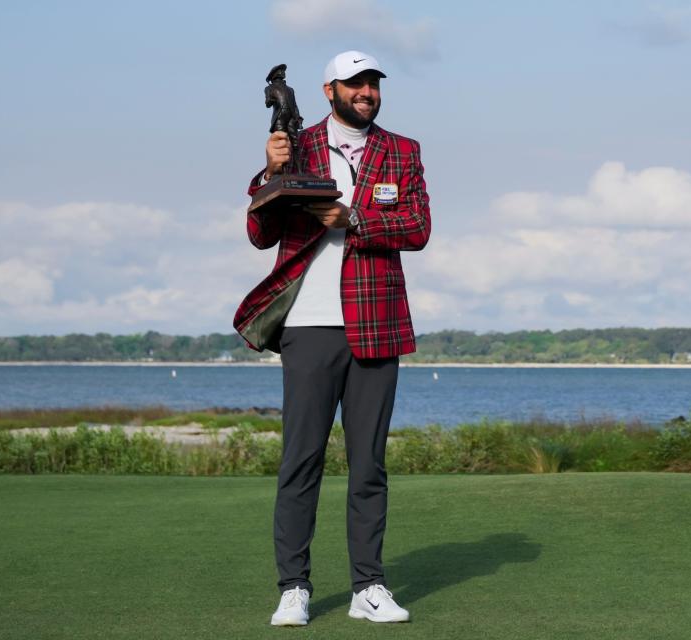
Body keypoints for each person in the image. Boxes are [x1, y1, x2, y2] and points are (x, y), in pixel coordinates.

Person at [233, 50, 431, 626]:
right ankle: (293, 587)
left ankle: (368, 587)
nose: (366, 91)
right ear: (329, 89)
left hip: (378, 322)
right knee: (301, 461)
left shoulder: (403, 151)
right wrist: (270, 173)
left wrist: (356, 221)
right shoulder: (294, 144)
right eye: (355, 83)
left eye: (373, 83)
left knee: (369, 465)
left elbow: (418, 228)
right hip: (308, 326)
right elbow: (257, 230)